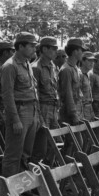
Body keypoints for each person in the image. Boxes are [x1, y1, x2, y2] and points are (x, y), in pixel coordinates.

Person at [1, 32, 39, 196]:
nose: (33, 48)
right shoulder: (10, 66)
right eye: (31, 45)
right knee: (13, 156)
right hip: (19, 111)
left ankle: (24, 190)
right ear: (21, 46)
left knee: (25, 155)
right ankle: (12, 195)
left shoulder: (27, 64)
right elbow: (7, 96)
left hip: (31, 110)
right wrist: (15, 119)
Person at [31, 36, 60, 164]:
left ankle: (48, 174)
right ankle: (36, 178)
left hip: (53, 109)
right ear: (44, 49)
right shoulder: (35, 68)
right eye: (53, 48)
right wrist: (40, 117)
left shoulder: (53, 66)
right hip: (42, 108)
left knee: (56, 144)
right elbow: (34, 96)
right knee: (40, 148)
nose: (56, 51)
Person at [59, 38, 85, 124]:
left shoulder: (75, 68)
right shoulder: (66, 69)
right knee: (72, 137)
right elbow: (68, 94)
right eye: (81, 50)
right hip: (69, 113)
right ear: (75, 52)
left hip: (77, 109)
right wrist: (73, 114)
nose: (82, 53)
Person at [80, 51, 95, 120]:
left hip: (89, 107)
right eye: (89, 60)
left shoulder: (87, 74)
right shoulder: (79, 74)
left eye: (93, 61)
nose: (92, 63)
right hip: (83, 108)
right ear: (82, 61)